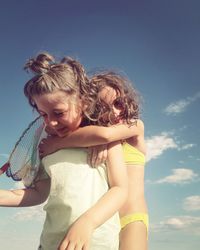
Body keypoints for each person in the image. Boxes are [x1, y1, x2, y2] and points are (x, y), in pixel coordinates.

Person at [0, 53, 128, 250]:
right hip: (51, 244)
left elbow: (120, 189)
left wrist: (88, 222)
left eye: (59, 113)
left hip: (97, 243)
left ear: (84, 102)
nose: (50, 122)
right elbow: (38, 193)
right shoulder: (46, 146)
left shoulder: (106, 140)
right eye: (43, 114)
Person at [39, 72, 149, 250]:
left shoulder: (135, 126)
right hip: (104, 219)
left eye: (118, 103)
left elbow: (106, 135)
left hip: (131, 216)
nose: (115, 110)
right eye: (104, 106)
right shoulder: (92, 137)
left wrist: (57, 144)